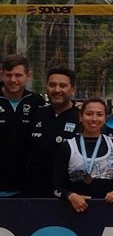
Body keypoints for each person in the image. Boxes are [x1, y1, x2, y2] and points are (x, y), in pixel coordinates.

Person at [52, 98, 113, 213]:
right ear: (80, 117)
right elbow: (56, 186)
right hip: (74, 212)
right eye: (89, 114)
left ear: (105, 118)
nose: (94, 119)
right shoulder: (67, 146)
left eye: (99, 114)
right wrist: (70, 196)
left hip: (108, 211)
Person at [27, 66, 80, 197]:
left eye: (63, 85)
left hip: (70, 196)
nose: (57, 90)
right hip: (35, 193)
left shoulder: (81, 117)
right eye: (52, 85)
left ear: (72, 89)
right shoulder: (37, 113)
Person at [0, 55, 45, 197]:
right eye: (9, 75)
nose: (13, 80)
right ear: (2, 75)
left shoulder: (36, 101)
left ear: (28, 76)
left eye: (18, 75)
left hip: (24, 186)